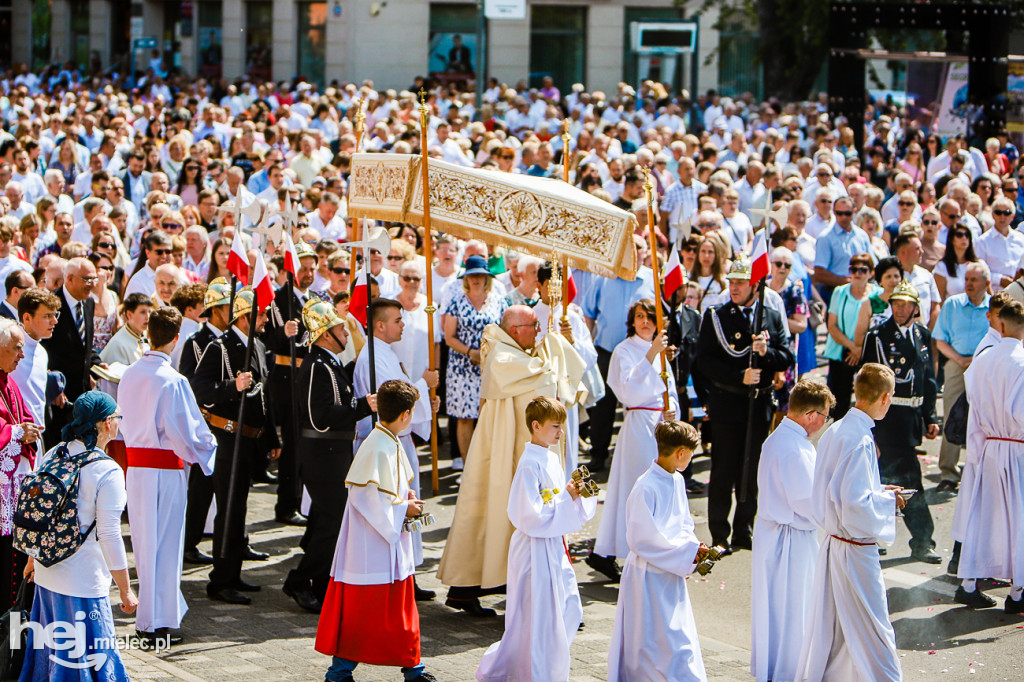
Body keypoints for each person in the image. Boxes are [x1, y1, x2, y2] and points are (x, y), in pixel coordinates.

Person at [437, 305, 586, 617]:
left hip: (523, 450)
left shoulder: (524, 351)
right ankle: (466, 589)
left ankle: (494, 589)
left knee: (511, 515)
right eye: (533, 325)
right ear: (515, 329)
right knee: (489, 512)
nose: (538, 331)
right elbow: (545, 378)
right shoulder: (503, 355)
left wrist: (559, 343)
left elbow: (556, 380)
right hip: (503, 450)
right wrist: (553, 357)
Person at [313, 380, 437, 682]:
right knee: (363, 613)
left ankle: (412, 668)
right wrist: (401, 510)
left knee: (396, 611)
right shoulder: (377, 446)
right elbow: (364, 497)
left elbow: (391, 488)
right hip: (370, 549)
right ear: (405, 415)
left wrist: (405, 497)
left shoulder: (388, 440)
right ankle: (340, 672)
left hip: (387, 546)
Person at [796, 363, 906, 682]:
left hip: (834, 542)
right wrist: (887, 501)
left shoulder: (837, 429)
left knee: (839, 628)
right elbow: (855, 505)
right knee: (875, 628)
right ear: (885, 398)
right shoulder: (859, 439)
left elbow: (835, 487)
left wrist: (879, 490)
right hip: (855, 548)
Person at [476, 397, 596, 681]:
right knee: (536, 618)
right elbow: (528, 515)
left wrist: (575, 495)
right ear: (535, 425)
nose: (560, 433)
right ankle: (527, 671)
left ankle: (546, 666)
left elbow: (556, 502)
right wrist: (566, 499)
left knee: (568, 608)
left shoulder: (551, 458)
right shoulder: (529, 464)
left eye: (561, 426)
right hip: (533, 548)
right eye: (555, 426)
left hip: (552, 545)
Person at [20, 392, 138, 681]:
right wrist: (125, 589)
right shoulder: (107, 470)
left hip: (48, 574)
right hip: (84, 581)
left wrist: (32, 559)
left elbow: (38, 514)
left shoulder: (52, 454)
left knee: (52, 655)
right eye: (118, 418)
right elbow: (109, 534)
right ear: (107, 423)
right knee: (89, 658)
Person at [119, 307, 217, 646]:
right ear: (176, 339)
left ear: (149, 332)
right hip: (164, 468)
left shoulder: (129, 374)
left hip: (137, 469)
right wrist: (206, 449)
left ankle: (152, 618)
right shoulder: (174, 380)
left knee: (144, 544)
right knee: (166, 544)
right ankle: (155, 622)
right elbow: (184, 432)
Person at [695, 258, 794, 552]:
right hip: (728, 403)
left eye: (740, 283)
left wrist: (767, 353)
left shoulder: (771, 316)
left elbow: (786, 356)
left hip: (759, 403)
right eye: (731, 282)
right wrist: (740, 376)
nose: (734, 288)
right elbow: (705, 361)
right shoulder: (717, 315)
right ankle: (719, 532)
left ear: (754, 286)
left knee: (751, 472)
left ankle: (743, 529)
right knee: (724, 470)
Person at [284, 299, 374, 614]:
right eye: (339, 329)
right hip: (322, 457)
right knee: (332, 523)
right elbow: (319, 416)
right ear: (325, 335)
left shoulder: (330, 363)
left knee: (327, 521)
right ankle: (300, 580)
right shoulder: (316, 366)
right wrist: (364, 406)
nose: (346, 334)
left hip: (334, 455)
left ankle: (320, 582)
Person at [191, 288, 281, 605]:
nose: (266, 319)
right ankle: (220, 580)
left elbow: (263, 397)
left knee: (239, 507)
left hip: (250, 440)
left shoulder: (255, 344)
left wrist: (272, 439)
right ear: (244, 318)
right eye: (261, 314)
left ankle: (233, 572)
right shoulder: (220, 348)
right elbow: (200, 389)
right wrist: (233, 385)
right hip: (227, 438)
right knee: (228, 511)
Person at [607, 420, 707, 682]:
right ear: (680, 453)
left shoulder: (675, 480)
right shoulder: (646, 486)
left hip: (671, 569)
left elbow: (684, 523)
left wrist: (694, 551)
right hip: (648, 574)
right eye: (691, 454)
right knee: (651, 639)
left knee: (676, 635)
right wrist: (683, 555)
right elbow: (642, 540)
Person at [587, 299, 678, 581]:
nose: (645, 322)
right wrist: (651, 354)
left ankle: (650, 548)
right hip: (638, 425)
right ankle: (615, 550)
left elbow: (669, 387)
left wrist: (671, 407)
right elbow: (627, 391)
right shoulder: (624, 350)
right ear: (632, 321)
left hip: (660, 425)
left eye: (650, 317)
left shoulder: (661, 351)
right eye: (640, 316)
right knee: (634, 488)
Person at [353, 298, 438, 594]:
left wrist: (425, 398)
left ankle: (407, 572)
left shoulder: (386, 353)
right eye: (398, 321)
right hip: (386, 443)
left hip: (399, 441)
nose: (402, 325)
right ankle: (398, 574)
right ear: (380, 325)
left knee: (406, 501)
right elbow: (395, 399)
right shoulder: (373, 358)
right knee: (395, 504)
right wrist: (424, 386)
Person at [751, 380, 834, 682]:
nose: (825, 423)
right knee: (793, 609)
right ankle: (790, 671)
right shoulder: (796, 449)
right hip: (790, 539)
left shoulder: (778, 438)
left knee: (777, 608)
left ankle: (777, 668)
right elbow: (809, 503)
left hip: (775, 533)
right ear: (812, 415)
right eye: (825, 416)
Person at [861, 279, 942, 563]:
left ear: (916, 308)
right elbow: (868, 386)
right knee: (902, 482)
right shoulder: (878, 337)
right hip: (887, 421)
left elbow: (926, 379)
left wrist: (930, 415)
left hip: (911, 421)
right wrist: (870, 428)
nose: (899, 308)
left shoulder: (921, 333)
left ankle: (879, 538)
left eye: (906, 304)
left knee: (891, 482)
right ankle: (920, 540)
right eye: (896, 303)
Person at [953, 300, 1024, 613]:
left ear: (1002, 324)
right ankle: (1018, 592)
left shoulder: (982, 360)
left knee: (984, 517)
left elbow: (975, 410)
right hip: (1018, 447)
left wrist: (977, 452)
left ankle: (969, 584)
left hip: (991, 445)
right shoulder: (1022, 361)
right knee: (1017, 520)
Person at [948, 291, 1010, 577]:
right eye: (999, 316)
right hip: (987, 436)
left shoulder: (1002, 347)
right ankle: (964, 562)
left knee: (981, 505)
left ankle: (969, 562)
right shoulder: (990, 349)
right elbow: (978, 394)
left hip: (989, 436)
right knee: (977, 505)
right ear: (991, 316)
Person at [263, 241, 318, 520]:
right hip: (286, 376)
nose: (307, 273)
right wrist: (283, 332)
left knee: (307, 442)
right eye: (302, 268)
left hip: (308, 375)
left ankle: (303, 500)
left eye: (311, 269)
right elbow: (264, 340)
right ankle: (287, 505)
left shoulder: (315, 299)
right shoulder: (278, 300)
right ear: (290, 270)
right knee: (293, 444)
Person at [180, 277, 232, 566]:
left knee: (230, 487)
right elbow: (190, 383)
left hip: (229, 420)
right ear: (214, 309)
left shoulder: (231, 340)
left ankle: (234, 540)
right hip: (207, 421)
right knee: (203, 486)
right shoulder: (197, 343)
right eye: (226, 307)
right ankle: (190, 542)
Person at [439, 255, 508, 470]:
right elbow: (449, 337)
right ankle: (469, 468)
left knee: (491, 418)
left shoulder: (499, 301)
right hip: (462, 367)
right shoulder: (456, 301)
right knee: (464, 417)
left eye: (480, 275)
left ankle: (488, 467)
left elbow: (505, 333)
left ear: (487, 278)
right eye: (472, 275)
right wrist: (472, 352)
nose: (476, 279)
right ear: (465, 278)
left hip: (491, 367)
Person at [532, 261, 598, 472]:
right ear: (539, 286)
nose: (555, 292)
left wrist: (573, 343)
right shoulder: (529, 316)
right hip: (537, 393)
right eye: (550, 285)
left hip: (565, 393)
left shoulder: (572, 317)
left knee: (566, 452)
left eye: (559, 286)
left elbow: (590, 358)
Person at [933, 262, 992, 492]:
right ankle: (948, 472)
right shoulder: (952, 304)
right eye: (966, 279)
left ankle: (978, 470)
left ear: (987, 284)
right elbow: (940, 340)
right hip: (956, 365)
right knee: (950, 416)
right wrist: (959, 359)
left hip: (984, 367)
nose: (968, 283)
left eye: (974, 280)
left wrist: (977, 360)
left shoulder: (994, 308)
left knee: (983, 417)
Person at [0, 320, 39, 613]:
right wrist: (16, 432)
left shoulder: (9, 380)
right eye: (16, 349)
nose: (21, 356)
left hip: (16, 487)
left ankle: (12, 644)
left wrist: (28, 428)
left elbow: (21, 414)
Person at [42, 257, 101, 445]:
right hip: (58, 400)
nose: (91, 285)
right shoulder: (50, 306)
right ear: (69, 279)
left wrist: (97, 364)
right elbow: (43, 351)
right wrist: (52, 387)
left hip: (81, 398)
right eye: (86, 279)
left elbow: (84, 345)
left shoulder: (89, 303)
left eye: (94, 279)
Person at [823, 253, 873, 418]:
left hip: (867, 354)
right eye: (854, 269)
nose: (858, 273)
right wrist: (853, 347)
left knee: (867, 401)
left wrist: (860, 350)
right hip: (841, 351)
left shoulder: (877, 295)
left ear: (871, 273)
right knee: (838, 404)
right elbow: (832, 325)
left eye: (863, 270)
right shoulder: (840, 292)